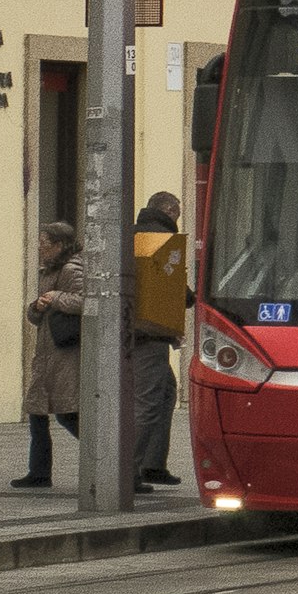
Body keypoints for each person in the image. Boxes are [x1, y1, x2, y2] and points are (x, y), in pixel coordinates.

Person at [16, 220, 83, 490]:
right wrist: (37, 306)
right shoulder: (49, 270)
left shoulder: (72, 268)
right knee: (37, 411)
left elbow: (86, 301)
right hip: (46, 352)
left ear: (59, 245)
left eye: (43, 245)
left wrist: (55, 298)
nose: (40, 250)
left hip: (66, 352)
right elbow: (36, 315)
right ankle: (39, 472)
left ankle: (111, 458)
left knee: (68, 413)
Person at [128, 193, 189, 487]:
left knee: (166, 392)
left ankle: (154, 463)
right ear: (169, 210)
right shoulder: (163, 239)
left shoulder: (131, 234)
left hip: (137, 331)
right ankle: (128, 472)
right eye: (177, 212)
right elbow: (175, 285)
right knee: (147, 403)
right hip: (149, 334)